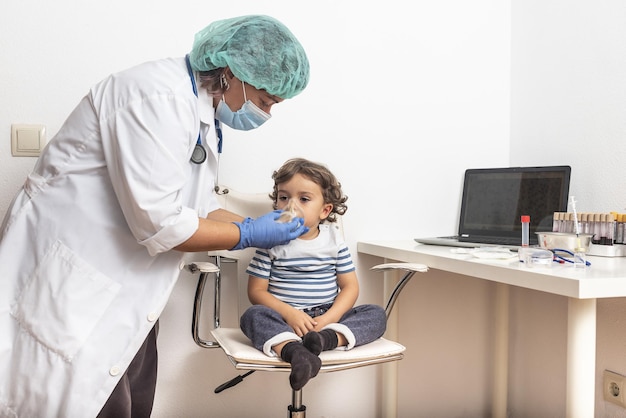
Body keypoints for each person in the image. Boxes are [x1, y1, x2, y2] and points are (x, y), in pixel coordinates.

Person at [0, 15, 310, 418]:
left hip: (131, 291)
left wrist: (274, 229)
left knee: (132, 400)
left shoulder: (204, 115)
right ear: (232, 74)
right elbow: (162, 223)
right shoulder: (154, 98)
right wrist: (249, 233)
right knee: (85, 400)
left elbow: (195, 211)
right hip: (73, 285)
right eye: (266, 101)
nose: (266, 112)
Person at [240, 158, 388, 391]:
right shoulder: (269, 241)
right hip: (285, 320)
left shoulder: (334, 240)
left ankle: (324, 340)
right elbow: (256, 291)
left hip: (327, 317)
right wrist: (290, 314)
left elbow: (350, 287)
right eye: (284, 197)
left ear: (325, 210)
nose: (291, 205)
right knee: (252, 316)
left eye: (304, 199)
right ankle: (296, 352)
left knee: (377, 314)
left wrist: (326, 321)